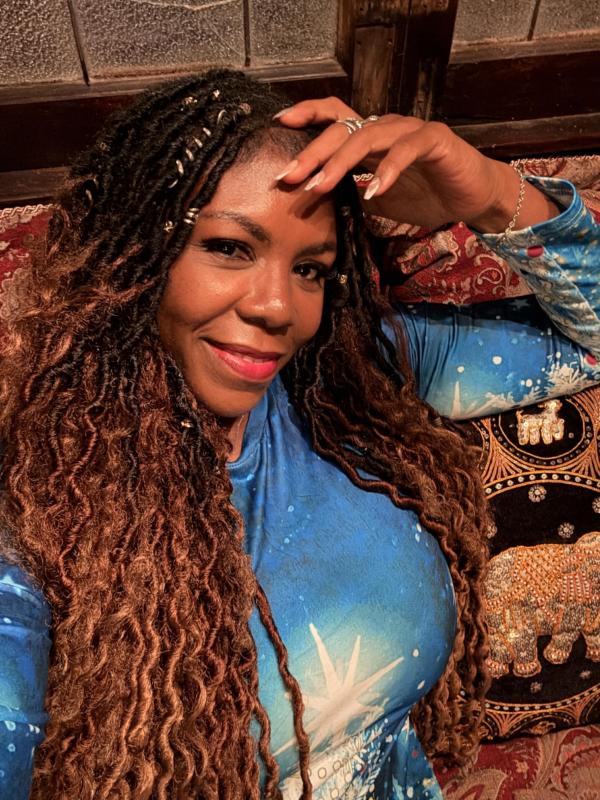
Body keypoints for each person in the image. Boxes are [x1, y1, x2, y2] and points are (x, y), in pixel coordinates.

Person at [0, 69, 598, 800]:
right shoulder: (30, 518)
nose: (279, 307)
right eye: (230, 248)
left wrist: (491, 193)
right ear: (131, 257)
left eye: (311, 267)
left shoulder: (349, 382)